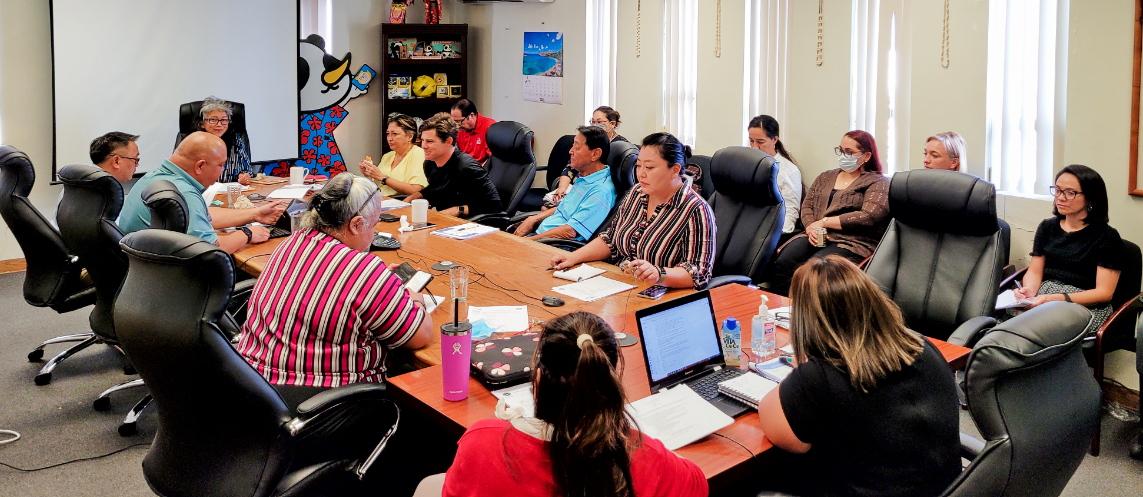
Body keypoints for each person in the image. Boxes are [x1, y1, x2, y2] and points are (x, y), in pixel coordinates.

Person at [236, 173, 433, 472]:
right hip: (320, 406)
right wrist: (412, 298)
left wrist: (382, 286)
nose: (374, 234)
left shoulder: (291, 243)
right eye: (373, 225)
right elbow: (420, 335)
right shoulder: (363, 270)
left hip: (258, 392)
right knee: (425, 392)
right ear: (355, 224)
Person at [424, 312, 707, 497]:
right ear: (609, 382)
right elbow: (698, 485)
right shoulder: (645, 458)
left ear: (537, 381)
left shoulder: (482, 442)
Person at [757, 255, 961, 497]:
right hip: (946, 488)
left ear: (806, 322)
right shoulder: (921, 346)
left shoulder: (820, 375)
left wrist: (802, 368)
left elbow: (785, 434)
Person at [550, 133, 716, 290]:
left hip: (657, 293)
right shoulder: (637, 192)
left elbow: (699, 274)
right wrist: (573, 257)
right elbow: (611, 240)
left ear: (675, 170)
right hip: (618, 283)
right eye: (638, 166)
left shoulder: (696, 210)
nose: (641, 174)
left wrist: (659, 274)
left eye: (649, 167)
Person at [766, 130, 890, 295]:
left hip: (851, 242)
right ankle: (780, 305)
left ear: (866, 156)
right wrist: (811, 227)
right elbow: (807, 205)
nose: (843, 156)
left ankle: (807, 309)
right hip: (815, 235)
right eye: (841, 150)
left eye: (849, 152)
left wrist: (824, 222)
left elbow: (869, 215)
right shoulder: (826, 176)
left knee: (815, 270)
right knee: (785, 260)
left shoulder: (878, 182)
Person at [120, 131, 286, 254]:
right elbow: (211, 250)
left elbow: (202, 215)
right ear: (200, 166)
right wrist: (247, 234)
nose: (222, 170)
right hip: (173, 278)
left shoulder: (156, 177)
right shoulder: (184, 192)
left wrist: (255, 214)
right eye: (220, 165)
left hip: (145, 270)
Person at [1013, 164, 1123, 331]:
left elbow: (1104, 293)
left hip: (1083, 304)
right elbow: (1035, 271)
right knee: (1005, 325)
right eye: (1057, 190)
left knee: (1035, 331)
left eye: (1070, 192)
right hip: (1045, 294)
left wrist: (1055, 298)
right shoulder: (1047, 227)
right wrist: (1030, 290)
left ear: (1090, 198)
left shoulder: (1107, 236)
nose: (1060, 197)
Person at [513, 126, 616, 241]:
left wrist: (527, 241)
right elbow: (564, 208)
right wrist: (533, 219)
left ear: (595, 154)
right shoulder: (585, 177)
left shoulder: (600, 192)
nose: (570, 151)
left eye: (577, 147)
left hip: (552, 246)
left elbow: (570, 232)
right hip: (540, 236)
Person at [406, 112, 502, 218]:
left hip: (470, 222)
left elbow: (494, 204)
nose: (423, 146)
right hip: (445, 219)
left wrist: (458, 210)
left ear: (448, 141)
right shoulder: (430, 164)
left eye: (430, 141)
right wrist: (414, 197)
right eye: (423, 140)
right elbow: (437, 189)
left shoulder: (466, 167)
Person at [543, 106, 629, 211]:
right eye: (593, 122)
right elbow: (570, 168)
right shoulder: (590, 140)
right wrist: (562, 189)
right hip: (578, 185)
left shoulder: (619, 147)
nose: (595, 125)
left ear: (612, 124)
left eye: (599, 122)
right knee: (545, 207)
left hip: (593, 189)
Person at [53, 131, 140, 228]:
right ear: (116, 161)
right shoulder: (105, 191)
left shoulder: (78, 183)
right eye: (135, 160)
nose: (137, 165)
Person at [748, 115, 802, 234]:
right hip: (747, 224)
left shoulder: (788, 171)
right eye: (751, 141)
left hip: (769, 230)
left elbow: (789, 215)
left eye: (760, 142)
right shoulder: (746, 164)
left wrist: (773, 237)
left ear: (775, 139)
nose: (754, 147)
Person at [359, 113, 428, 197]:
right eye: (388, 134)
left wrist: (383, 178)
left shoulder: (418, 153)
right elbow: (379, 187)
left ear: (410, 136)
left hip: (402, 202)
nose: (389, 138)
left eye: (394, 134)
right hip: (381, 200)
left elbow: (415, 190)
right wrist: (369, 175)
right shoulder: (387, 156)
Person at [195, 95, 254, 185]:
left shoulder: (236, 141)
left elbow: (247, 171)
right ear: (202, 123)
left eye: (224, 120)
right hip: (202, 191)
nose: (219, 124)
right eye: (213, 119)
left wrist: (244, 176)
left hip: (230, 190)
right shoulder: (194, 142)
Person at [450, 99, 496, 165]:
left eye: (459, 121)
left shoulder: (489, 127)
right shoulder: (460, 130)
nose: (457, 125)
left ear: (471, 115)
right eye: (454, 121)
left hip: (482, 168)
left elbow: (493, 159)